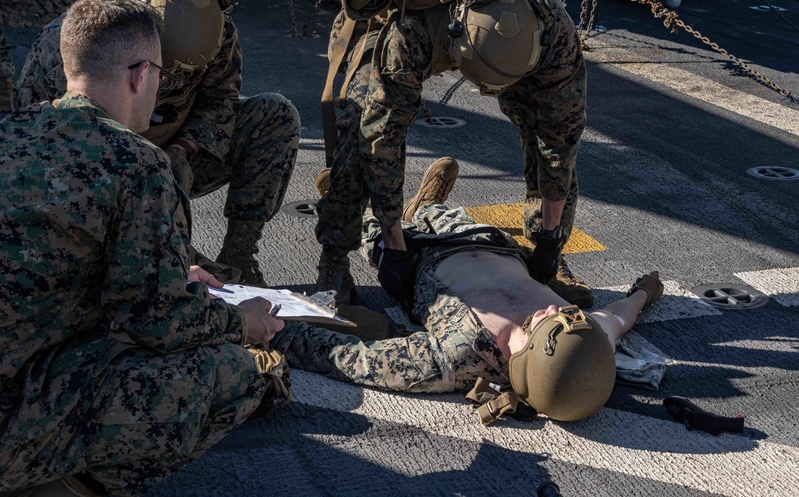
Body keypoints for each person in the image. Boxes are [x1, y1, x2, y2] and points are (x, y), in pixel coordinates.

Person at [0, 0, 286, 497]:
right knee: (233, 373)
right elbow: (159, 321)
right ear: (140, 74)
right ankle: (60, 485)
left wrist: (174, 277)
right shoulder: (136, 162)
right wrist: (245, 321)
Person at [312, 0, 592, 309]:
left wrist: (548, 244)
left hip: (502, 36)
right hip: (401, 6)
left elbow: (562, 137)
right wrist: (394, 242)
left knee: (550, 130)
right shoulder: (407, 38)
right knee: (355, 131)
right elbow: (381, 141)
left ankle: (551, 256)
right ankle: (334, 259)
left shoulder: (548, 23)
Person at [276, 159, 663, 422]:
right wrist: (645, 293)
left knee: (372, 231)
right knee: (449, 217)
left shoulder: (458, 359)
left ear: (533, 360)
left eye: (549, 324)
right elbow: (617, 317)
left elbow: (352, 360)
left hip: (416, 260)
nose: (554, 312)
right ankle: (427, 204)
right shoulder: (582, 340)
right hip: (486, 240)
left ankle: (354, 208)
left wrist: (272, 328)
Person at [16, 0, 300, 287]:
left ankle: (240, 252)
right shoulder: (70, 43)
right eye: (163, 70)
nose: (166, 83)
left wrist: (182, 150)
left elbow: (220, 98)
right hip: (95, 167)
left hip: (179, 152)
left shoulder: (211, 28)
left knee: (275, 114)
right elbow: (36, 137)